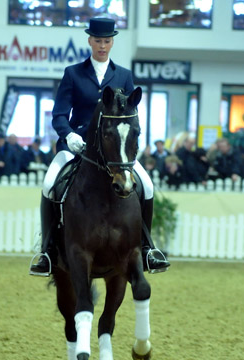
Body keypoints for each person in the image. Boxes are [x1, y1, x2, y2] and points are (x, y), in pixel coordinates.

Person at [30, 17, 170, 276]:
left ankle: (148, 248)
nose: (102, 45)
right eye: (98, 41)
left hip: (114, 150)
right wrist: (69, 135)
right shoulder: (73, 73)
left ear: (112, 42)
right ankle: (47, 251)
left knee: (147, 185)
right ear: (90, 41)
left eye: (106, 41)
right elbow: (59, 114)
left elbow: (130, 115)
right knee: (50, 184)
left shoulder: (124, 76)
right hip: (75, 146)